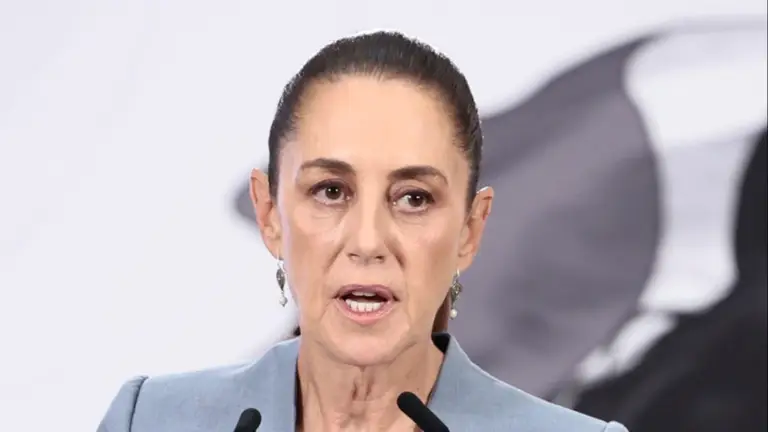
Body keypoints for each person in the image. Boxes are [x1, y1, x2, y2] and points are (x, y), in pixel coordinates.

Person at [97, 31, 628, 431]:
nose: (368, 242)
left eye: (414, 198)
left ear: (470, 230)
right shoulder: (149, 420)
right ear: (269, 214)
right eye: (331, 191)